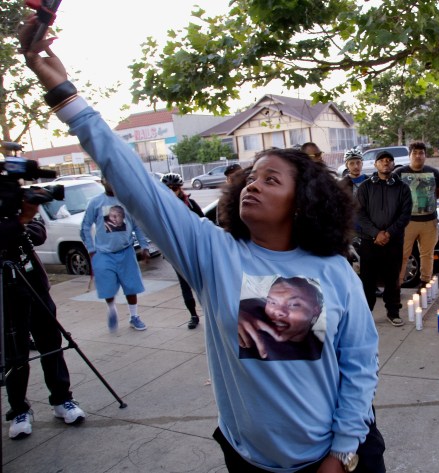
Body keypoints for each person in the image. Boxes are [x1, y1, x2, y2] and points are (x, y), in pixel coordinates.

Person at [20, 21, 384, 472]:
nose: (253, 185)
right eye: (251, 177)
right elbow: (136, 184)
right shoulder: (213, 253)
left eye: (271, 179)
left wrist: (342, 452)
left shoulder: (333, 271)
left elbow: (360, 364)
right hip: (249, 459)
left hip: (334, 459)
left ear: (303, 201)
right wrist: (66, 96)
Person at [1, 199, 85, 439]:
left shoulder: (15, 207)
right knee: (16, 356)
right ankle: (19, 410)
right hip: (7, 296)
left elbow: (38, 232)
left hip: (35, 287)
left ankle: (62, 400)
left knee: (52, 345)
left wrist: (20, 224)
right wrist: (19, 224)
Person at [81, 176, 151, 332]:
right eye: (107, 179)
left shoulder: (126, 201)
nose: (111, 182)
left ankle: (134, 316)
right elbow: (85, 227)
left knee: (131, 285)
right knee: (107, 286)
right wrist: (91, 250)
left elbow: (137, 226)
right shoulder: (96, 202)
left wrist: (145, 246)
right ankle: (111, 309)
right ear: (102, 181)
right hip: (104, 253)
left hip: (126, 251)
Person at [357, 150, 412, 327]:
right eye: (382, 160)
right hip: (369, 240)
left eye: (389, 160)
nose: (385, 163)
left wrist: (388, 233)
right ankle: (366, 313)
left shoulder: (402, 188)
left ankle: (393, 312)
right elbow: (360, 213)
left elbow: (405, 215)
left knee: (392, 279)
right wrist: (375, 233)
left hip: (393, 241)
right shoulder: (365, 187)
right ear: (375, 164)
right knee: (367, 279)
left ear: (393, 164)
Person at [393, 141, 439, 290]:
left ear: (425, 156)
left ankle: (425, 282)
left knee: (427, 254)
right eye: (414, 153)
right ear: (409, 155)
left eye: (421, 153)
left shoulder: (434, 172)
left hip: (429, 221)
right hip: (407, 222)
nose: (418, 156)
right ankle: (397, 284)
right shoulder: (399, 173)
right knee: (402, 254)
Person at [238, 276, 325, 361]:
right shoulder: (246, 315)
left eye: (294, 304)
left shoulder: (325, 352)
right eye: (272, 302)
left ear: (316, 310)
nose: (278, 311)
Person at [161, 172, 205, 329]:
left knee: (203, 283)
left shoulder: (190, 204)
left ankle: (211, 310)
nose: (172, 191)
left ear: (180, 188)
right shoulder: (162, 208)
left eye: (174, 188)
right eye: (168, 188)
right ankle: (193, 315)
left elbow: (204, 223)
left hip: (195, 249)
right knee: (185, 284)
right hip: (176, 251)